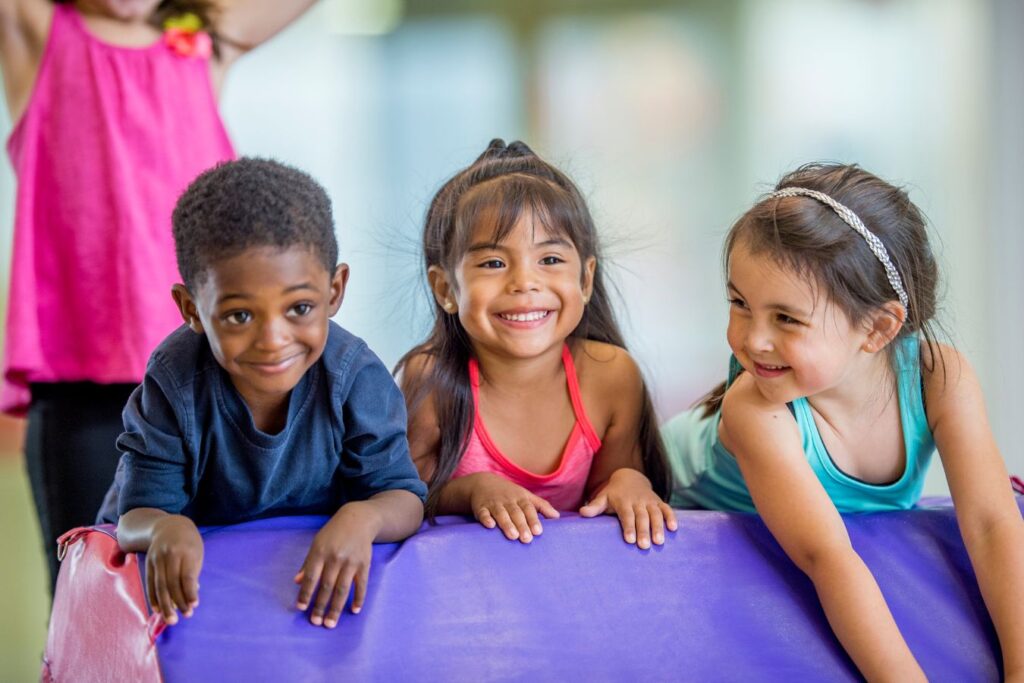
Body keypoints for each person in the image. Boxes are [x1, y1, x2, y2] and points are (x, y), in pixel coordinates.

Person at [0, 0, 318, 591]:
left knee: (207, 587)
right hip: (83, 390)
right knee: (87, 593)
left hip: (208, 380)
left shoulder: (206, 39)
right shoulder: (39, 30)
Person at [662, 163, 1024, 680]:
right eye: (739, 304)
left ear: (877, 328)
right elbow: (827, 558)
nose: (752, 339)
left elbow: (992, 523)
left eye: (786, 318)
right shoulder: (756, 410)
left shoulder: (938, 378)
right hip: (672, 485)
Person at [96, 158, 426, 630]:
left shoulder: (356, 378)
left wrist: (363, 518)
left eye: (300, 308)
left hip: (287, 595)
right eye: (238, 316)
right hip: (193, 603)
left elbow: (404, 497)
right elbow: (132, 518)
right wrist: (164, 526)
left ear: (335, 291)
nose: (273, 339)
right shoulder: (174, 381)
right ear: (191, 309)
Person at [396, 139, 676, 549]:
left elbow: (608, 495)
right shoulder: (431, 377)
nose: (524, 282)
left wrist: (629, 482)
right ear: (445, 288)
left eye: (549, 260)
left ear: (585, 279)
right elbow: (408, 499)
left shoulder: (611, 375)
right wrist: (474, 490)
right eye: (493, 263)